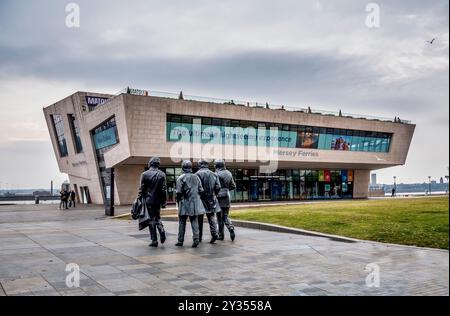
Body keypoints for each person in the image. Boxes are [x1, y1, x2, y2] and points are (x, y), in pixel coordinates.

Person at [137, 157, 167, 247]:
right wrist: (164, 202)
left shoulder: (145, 174)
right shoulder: (162, 174)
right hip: (158, 200)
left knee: (151, 220)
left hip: (149, 200)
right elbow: (164, 189)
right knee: (157, 217)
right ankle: (161, 229)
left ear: (150, 163)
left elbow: (141, 189)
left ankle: (154, 240)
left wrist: (138, 199)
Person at [175, 160, 205, 248]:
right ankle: (196, 239)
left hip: (184, 203)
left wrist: (178, 202)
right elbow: (201, 190)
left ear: (183, 167)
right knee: (194, 221)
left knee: (182, 222)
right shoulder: (196, 177)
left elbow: (179, 193)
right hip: (194, 203)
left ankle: (180, 241)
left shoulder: (180, 178)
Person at [195, 159, 221, 244]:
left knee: (199, 218)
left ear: (201, 164)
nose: (198, 165)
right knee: (211, 216)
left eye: (198, 164)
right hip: (211, 198)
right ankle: (214, 233)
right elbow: (218, 187)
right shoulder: (214, 174)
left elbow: (196, 188)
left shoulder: (197, 174)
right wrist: (214, 194)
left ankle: (199, 237)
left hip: (200, 198)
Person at [214, 159, 236, 241]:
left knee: (219, 216)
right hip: (227, 195)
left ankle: (221, 235)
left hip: (219, 196)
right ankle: (230, 227)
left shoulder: (217, 174)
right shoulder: (229, 173)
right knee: (225, 215)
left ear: (218, 166)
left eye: (215, 165)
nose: (214, 166)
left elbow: (215, 186)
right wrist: (226, 189)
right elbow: (233, 186)